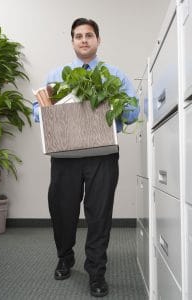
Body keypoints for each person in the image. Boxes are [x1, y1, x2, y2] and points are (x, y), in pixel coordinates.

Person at [33, 18, 139, 298]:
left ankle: (96, 272)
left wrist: (116, 104)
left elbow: (133, 113)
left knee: (99, 214)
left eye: (89, 35)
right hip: (65, 154)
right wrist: (47, 111)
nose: (83, 40)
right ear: (72, 41)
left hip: (103, 154)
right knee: (62, 209)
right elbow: (37, 109)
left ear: (98, 40)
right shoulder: (57, 75)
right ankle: (65, 256)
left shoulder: (114, 75)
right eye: (78, 36)